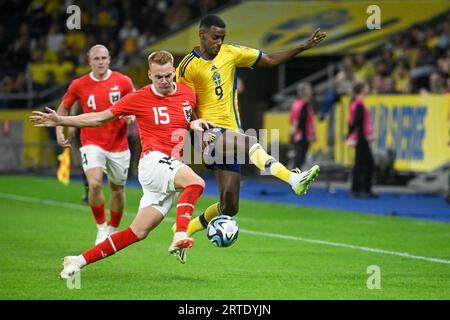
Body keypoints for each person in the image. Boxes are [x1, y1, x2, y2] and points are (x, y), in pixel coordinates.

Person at [30, 50, 214, 277]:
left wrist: (195, 126)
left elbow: (187, 118)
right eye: (159, 77)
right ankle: (180, 234)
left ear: (173, 71)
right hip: (153, 162)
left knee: (138, 231)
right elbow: (98, 118)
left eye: (168, 75)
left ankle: (78, 261)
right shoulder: (139, 98)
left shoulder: (187, 94)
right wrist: (60, 120)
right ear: (149, 75)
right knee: (196, 183)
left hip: (168, 167)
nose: (165, 81)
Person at [175, 15, 326, 257]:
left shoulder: (231, 53)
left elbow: (267, 59)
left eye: (223, 37)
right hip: (208, 135)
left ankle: (182, 230)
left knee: (229, 206)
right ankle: (293, 180)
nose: (219, 42)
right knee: (250, 143)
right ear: (202, 35)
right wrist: (195, 128)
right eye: (215, 37)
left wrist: (302, 47)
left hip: (231, 135)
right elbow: (184, 104)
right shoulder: (187, 66)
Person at [55, 44, 135, 245]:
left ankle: (112, 229)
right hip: (91, 141)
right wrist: (59, 130)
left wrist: (131, 116)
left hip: (118, 143)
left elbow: (134, 104)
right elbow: (63, 107)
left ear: (109, 59)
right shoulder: (79, 84)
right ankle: (101, 228)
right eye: (96, 58)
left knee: (117, 189)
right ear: (89, 61)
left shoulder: (123, 81)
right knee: (95, 183)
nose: (100, 62)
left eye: (104, 58)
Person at [347, 82, 377, 198]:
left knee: (361, 163)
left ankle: (360, 188)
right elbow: (357, 122)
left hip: (360, 136)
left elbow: (354, 122)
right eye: (366, 87)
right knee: (366, 163)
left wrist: (350, 133)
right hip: (361, 137)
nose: (368, 89)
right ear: (361, 90)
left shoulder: (356, 103)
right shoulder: (359, 104)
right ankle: (362, 188)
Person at [289, 82, 316, 170]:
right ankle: (294, 180)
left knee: (299, 159)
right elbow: (301, 121)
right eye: (309, 89)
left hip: (299, 135)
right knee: (299, 159)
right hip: (302, 136)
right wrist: (309, 135)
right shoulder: (303, 105)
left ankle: (295, 179)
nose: (311, 91)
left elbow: (293, 120)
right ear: (304, 92)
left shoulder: (297, 103)